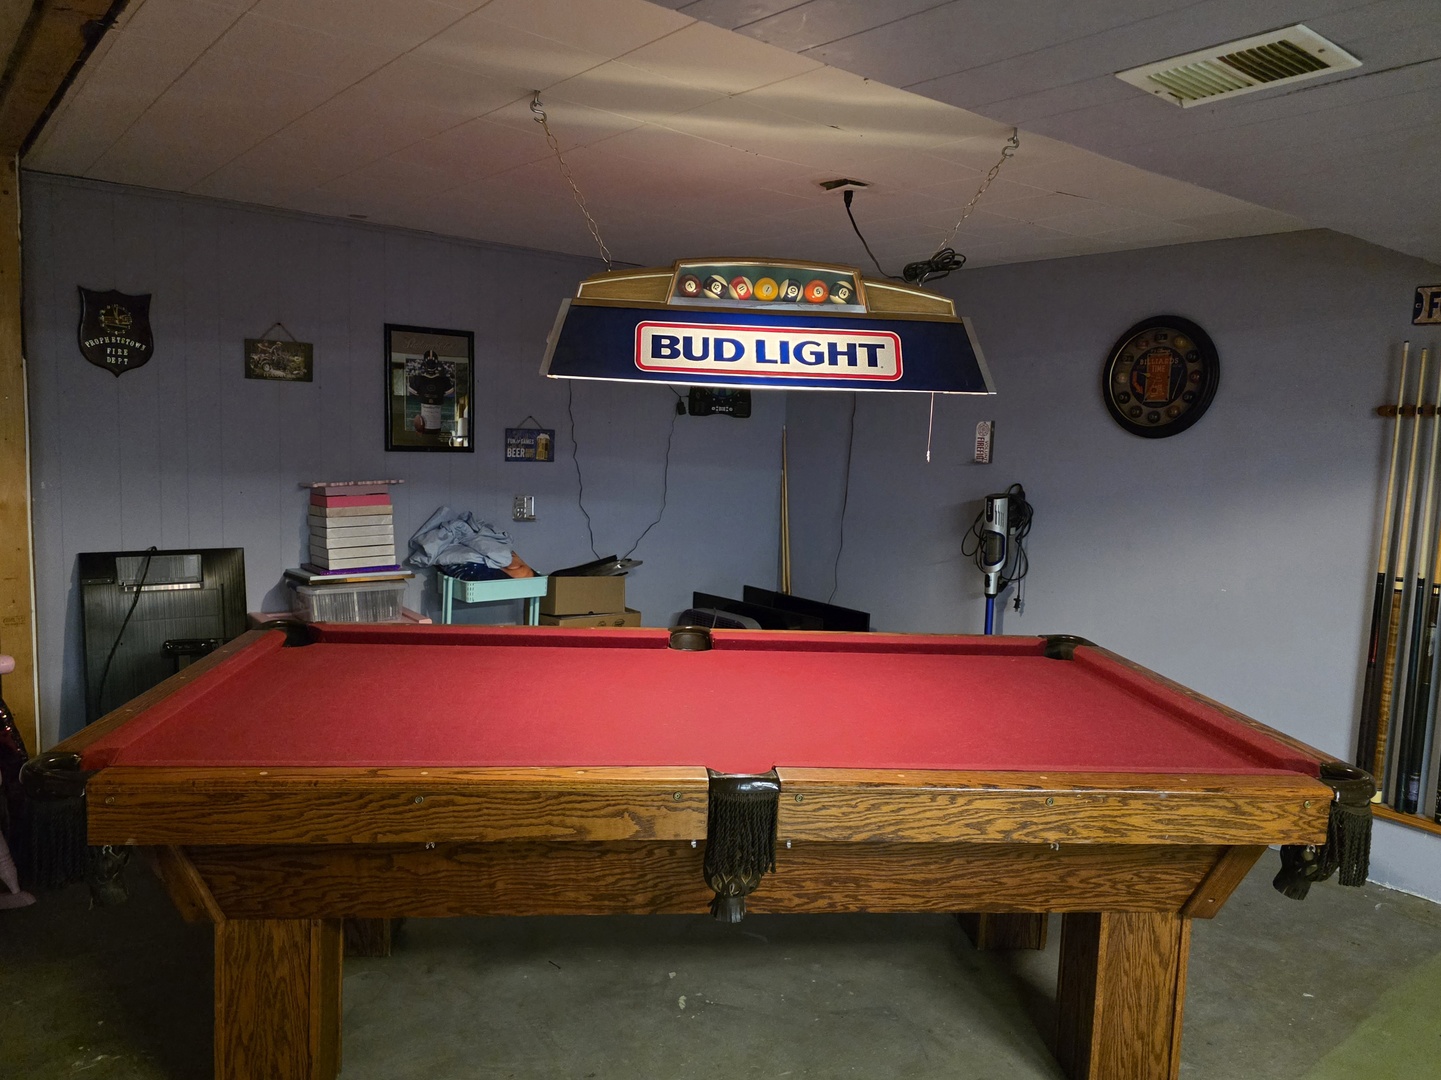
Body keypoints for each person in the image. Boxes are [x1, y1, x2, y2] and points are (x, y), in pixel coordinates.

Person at [407, 350, 455, 434]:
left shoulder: (444, 380)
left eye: (432, 362)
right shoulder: (418, 379)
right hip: (427, 415)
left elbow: (449, 392)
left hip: (435, 418)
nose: (430, 365)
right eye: (429, 363)